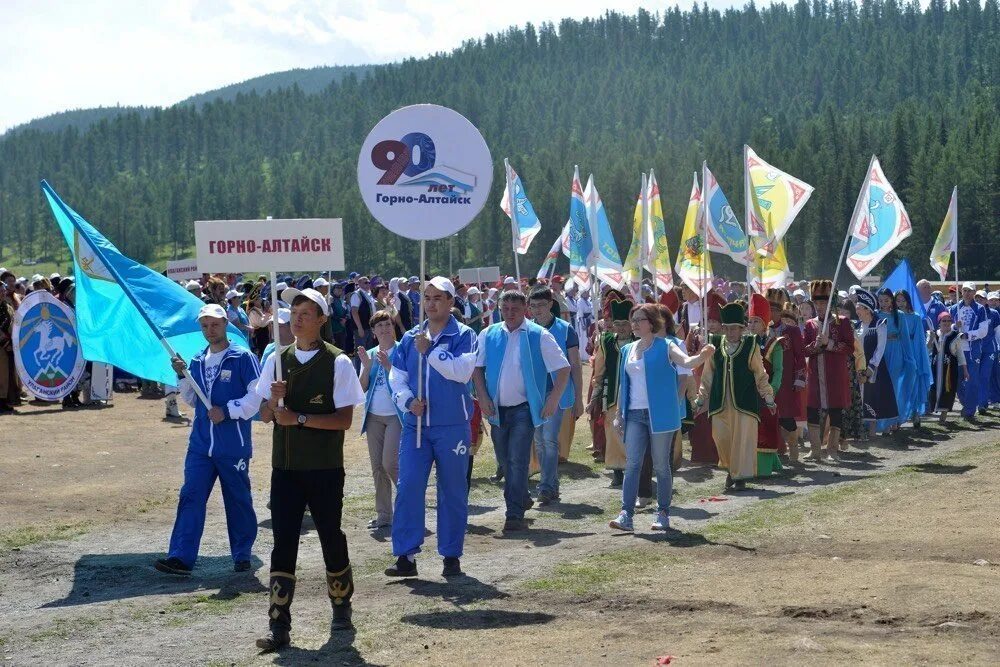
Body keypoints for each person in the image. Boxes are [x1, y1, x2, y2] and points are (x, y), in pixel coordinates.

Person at [255, 287, 365, 649]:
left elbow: (344, 421)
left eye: (306, 312)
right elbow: (265, 416)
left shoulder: (339, 362)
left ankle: (341, 607)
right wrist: (272, 401)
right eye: (294, 312)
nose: (297, 318)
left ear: (321, 320)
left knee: (330, 536)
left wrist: (298, 417)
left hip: (323, 468)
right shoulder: (276, 358)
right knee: (283, 541)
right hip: (284, 467)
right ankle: (279, 625)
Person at [155, 304, 262, 576]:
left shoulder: (243, 357)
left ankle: (241, 554)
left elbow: (256, 399)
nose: (209, 330)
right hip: (201, 445)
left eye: (214, 324)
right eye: (204, 325)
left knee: (237, 499)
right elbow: (192, 400)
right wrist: (182, 375)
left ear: (225, 323)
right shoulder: (196, 361)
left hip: (232, 445)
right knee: (190, 496)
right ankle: (180, 557)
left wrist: (227, 411)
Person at [384, 277, 478, 577]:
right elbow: (396, 376)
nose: (431, 303)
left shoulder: (464, 335)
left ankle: (451, 555)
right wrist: (408, 400)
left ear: (451, 302)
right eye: (427, 297)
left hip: (452, 425)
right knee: (409, 485)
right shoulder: (411, 337)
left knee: (452, 489)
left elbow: (462, 372)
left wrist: (432, 352)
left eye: (438, 298)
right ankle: (406, 556)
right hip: (416, 425)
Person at [609, 304, 712, 532]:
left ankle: (663, 513)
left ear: (652, 323)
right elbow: (622, 384)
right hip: (634, 414)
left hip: (660, 415)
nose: (634, 324)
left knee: (661, 466)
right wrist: (618, 415)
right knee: (633, 464)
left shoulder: (666, 346)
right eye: (632, 319)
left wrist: (703, 354)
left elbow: (686, 363)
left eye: (639, 320)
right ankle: (626, 514)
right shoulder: (628, 350)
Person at [472, 289, 570, 532]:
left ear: (525, 309)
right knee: (505, 461)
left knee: (517, 459)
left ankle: (513, 513)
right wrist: (482, 396)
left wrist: (553, 399)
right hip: (496, 409)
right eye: (505, 309)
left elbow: (563, 368)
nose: (510, 314)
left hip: (524, 409)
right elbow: (477, 368)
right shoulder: (489, 333)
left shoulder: (539, 335)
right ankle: (522, 495)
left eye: (515, 309)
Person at [694, 302, 776, 491]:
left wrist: (768, 397)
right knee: (721, 437)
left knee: (743, 440)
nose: (731, 333)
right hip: (720, 402)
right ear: (723, 329)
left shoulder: (750, 345)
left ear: (742, 329)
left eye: (735, 329)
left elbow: (760, 373)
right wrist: (700, 399)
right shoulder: (714, 344)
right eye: (728, 329)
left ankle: (739, 477)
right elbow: (708, 376)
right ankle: (732, 468)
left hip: (744, 403)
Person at [526, 287, 583, 505]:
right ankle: (551, 483)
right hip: (534, 393)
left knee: (549, 440)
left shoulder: (565, 329)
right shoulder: (527, 329)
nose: (536, 310)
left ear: (551, 304)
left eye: (540, 305)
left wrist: (578, 399)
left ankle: (546, 486)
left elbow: (576, 365)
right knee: (539, 441)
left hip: (557, 393)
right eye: (532, 306)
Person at [358, 310, 402, 532]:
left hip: (397, 417)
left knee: (390, 463)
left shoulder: (403, 350)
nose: (384, 329)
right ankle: (384, 515)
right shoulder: (370, 354)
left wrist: (388, 366)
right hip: (374, 416)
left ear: (393, 326)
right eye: (379, 326)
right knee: (377, 468)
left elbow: (409, 382)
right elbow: (362, 388)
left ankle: (408, 503)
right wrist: (366, 367)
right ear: (373, 332)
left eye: (387, 324)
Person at [803, 281, 855, 460]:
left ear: (831, 303)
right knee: (812, 411)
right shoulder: (809, 324)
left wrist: (829, 343)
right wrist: (815, 346)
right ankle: (815, 450)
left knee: (835, 411)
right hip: (815, 376)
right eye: (816, 303)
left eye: (823, 303)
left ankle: (833, 450)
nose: (819, 307)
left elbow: (849, 348)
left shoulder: (843, 322)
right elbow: (804, 350)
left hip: (835, 375)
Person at [747, 294, 784, 476]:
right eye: (750, 321)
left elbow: (778, 370)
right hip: (748, 394)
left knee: (766, 430)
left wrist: (772, 392)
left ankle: (764, 468)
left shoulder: (773, 343)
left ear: (765, 323)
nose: (751, 325)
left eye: (756, 321)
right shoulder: (745, 344)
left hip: (767, 394)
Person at [854, 289, 898, 434]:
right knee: (859, 396)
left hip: (875, 367)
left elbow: (880, 348)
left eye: (859, 307)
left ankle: (873, 430)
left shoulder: (880, 324)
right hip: (858, 367)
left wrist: (870, 368)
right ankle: (860, 428)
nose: (857, 310)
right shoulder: (857, 326)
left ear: (867, 309)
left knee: (874, 395)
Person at [769, 292, 806, 461]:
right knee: (769, 414)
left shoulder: (792, 331)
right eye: (768, 310)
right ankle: (774, 451)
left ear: (780, 312)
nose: (771, 313)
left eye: (774, 310)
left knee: (786, 415)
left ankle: (793, 452)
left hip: (786, 380)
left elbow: (800, 356)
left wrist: (800, 378)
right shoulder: (762, 331)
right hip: (767, 379)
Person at [875, 288, 914, 434]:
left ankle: (894, 420)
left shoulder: (900, 315)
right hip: (881, 353)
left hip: (896, 352)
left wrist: (909, 359)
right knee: (882, 387)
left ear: (891, 300)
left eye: (886, 300)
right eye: (881, 300)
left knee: (894, 387)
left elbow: (905, 338)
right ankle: (882, 422)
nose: (884, 303)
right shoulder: (876, 314)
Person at [950, 282, 987, 422]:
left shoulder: (980, 309)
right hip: (957, 349)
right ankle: (966, 404)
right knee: (957, 380)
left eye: (970, 291)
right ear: (961, 291)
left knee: (972, 380)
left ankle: (970, 410)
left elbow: (983, 331)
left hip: (972, 349)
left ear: (974, 292)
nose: (967, 293)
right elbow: (947, 326)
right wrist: (955, 326)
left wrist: (968, 335)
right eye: (965, 290)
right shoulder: (954, 308)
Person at [895, 289, 933, 427]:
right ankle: (898, 416)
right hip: (898, 350)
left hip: (912, 350)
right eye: (897, 301)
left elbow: (919, 339)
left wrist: (916, 357)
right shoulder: (894, 316)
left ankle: (915, 414)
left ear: (908, 301)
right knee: (900, 383)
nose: (900, 303)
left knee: (914, 383)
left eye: (902, 300)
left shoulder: (915, 317)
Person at [928, 310, 969, 422]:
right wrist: (931, 339)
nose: (946, 322)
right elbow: (927, 349)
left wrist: (965, 370)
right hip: (935, 368)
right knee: (934, 389)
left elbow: (960, 355)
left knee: (948, 390)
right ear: (939, 322)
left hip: (950, 370)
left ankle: (943, 416)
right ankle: (933, 409)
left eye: (948, 320)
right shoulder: (933, 334)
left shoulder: (955, 336)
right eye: (943, 320)